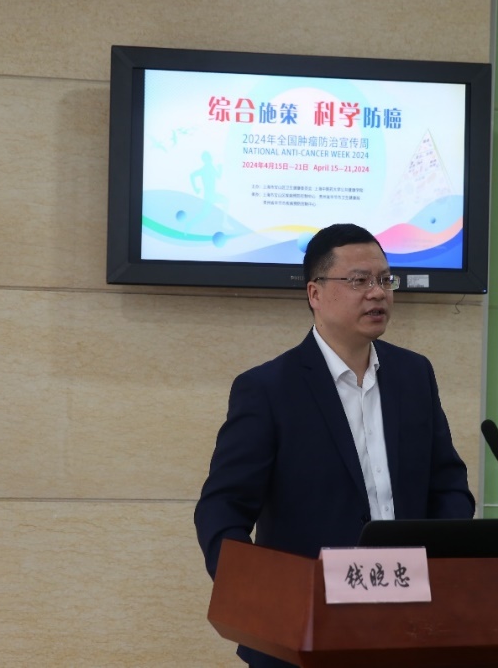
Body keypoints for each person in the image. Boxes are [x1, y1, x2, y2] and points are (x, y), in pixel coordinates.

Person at [195, 223, 476, 668]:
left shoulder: (414, 375)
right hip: (303, 633)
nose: (378, 293)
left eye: (385, 279)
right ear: (315, 293)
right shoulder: (268, 389)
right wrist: (255, 594)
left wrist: (443, 565)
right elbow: (222, 508)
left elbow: (448, 485)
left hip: (410, 626)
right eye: (359, 280)